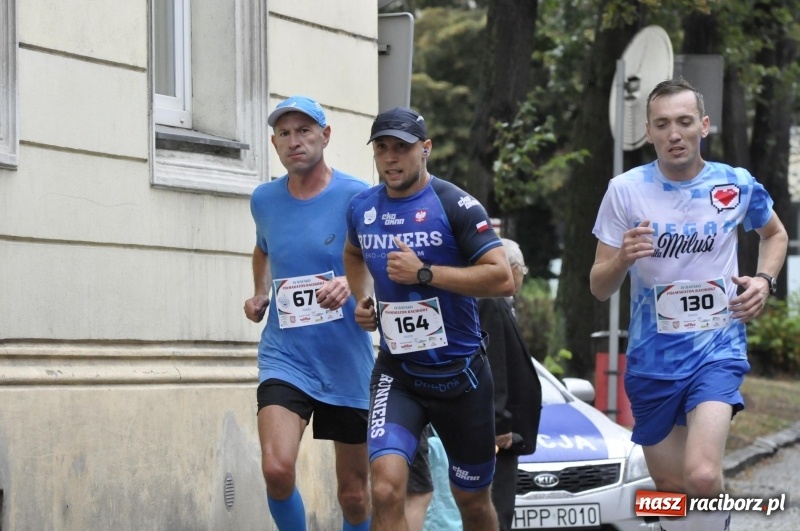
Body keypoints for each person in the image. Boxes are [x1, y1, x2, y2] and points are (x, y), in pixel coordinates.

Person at [590, 78, 788, 531]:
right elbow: (599, 287)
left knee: (701, 476)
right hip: (652, 358)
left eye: (683, 122)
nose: (674, 134)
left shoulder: (734, 184)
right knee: (670, 489)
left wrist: (764, 280)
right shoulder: (625, 190)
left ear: (704, 125)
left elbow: (775, 234)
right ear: (648, 131)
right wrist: (622, 258)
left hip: (717, 348)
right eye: (662, 124)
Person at [343, 106, 515, 531]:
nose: (390, 158)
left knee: (471, 500)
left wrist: (425, 273)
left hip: (461, 376)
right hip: (399, 373)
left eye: (402, 148)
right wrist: (363, 299)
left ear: (426, 149)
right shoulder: (362, 207)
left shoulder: (456, 204)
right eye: (382, 148)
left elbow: (502, 278)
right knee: (385, 489)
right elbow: (353, 253)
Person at [244, 95, 374, 531]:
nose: (293, 141)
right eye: (283, 133)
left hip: (345, 359)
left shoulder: (358, 196)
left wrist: (351, 285)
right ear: (274, 143)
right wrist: (259, 293)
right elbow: (263, 249)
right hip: (286, 355)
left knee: (354, 495)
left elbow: (378, 261)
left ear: (325, 136)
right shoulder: (264, 199)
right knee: (276, 469)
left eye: (303, 131)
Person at [478, 238, 542, 531]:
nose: (522, 278)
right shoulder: (491, 302)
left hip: (504, 431)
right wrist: (499, 422)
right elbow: (495, 364)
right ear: (511, 268)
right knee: (497, 512)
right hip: (499, 435)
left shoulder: (498, 302)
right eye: (523, 270)